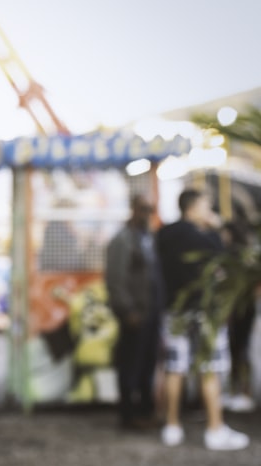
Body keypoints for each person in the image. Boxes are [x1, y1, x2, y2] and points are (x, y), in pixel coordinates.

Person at [155, 188, 249, 451]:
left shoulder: (165, 234)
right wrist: (218, 228)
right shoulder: (207, 239)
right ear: (193, 208)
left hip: (174, 310)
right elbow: (230, 258)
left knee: (175, 367)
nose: (210, 212)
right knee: (209, 368)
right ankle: (214, 428)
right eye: (207, 206)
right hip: (204, 310)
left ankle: (172, 426)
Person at [103, 193, 162, 430]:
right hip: (134, 315)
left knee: (148, 364)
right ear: (133, 209)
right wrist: (127, 311)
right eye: (143, 209)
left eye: (151, 209)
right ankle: (128, 414)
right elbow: (115, 280)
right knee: (130, 365)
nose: (147, 214)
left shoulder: (149, 238)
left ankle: (145, 411)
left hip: (152, 313)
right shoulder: (123, 240)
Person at [219, 219, 256, 413]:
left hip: (238, 310)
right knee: (239, 351)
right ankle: (239, 392)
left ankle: (241, 392)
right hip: (242, 310)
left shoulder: (233, 257)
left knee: (238, 350)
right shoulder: (245, 256)